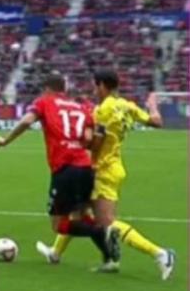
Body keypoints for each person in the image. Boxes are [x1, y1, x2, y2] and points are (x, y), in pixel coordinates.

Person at [36, 69, 175, 279]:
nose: (94, 90)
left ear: (101, 85)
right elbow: (157, 122)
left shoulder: (101, 110)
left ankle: (160, 253)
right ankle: (57, 253)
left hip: (102, 169)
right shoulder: (127, 106)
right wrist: (152, 104)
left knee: (107, 222)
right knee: (79, 212)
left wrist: (79, 142)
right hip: (115, 165)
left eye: (95, 86)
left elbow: (95, 143)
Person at [0, 74, 120, 266]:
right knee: (82, 215)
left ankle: (101, 231)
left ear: (47, 89)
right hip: (85, 167)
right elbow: (88, 138)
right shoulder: (80, 107)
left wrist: (5, 140)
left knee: (59, 225)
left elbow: (27, 121)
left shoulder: (44, 102)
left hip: (64, 169)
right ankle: (109, 260)